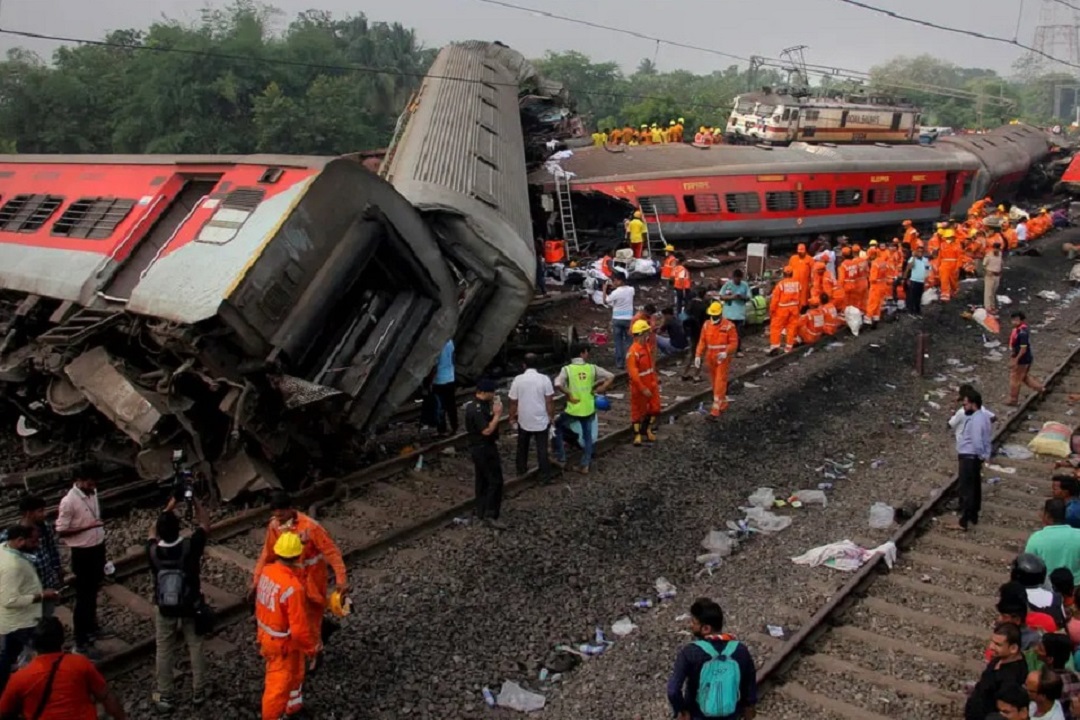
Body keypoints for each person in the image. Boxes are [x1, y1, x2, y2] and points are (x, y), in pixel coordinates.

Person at [251, 492, 347, 670]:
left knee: (312, 616)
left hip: (312, 578)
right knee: (294, 617)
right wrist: (257, 579)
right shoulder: (275, 525)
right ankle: (304, 649)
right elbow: (268, 553)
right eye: (276, 515)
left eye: (281, 515)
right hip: (290, 579)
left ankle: (315, 653)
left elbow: (331, 552)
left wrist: (341, 580)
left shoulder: (310, 528)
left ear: (290, 510)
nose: (278, 519)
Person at [148, 498, 211, 711]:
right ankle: (199, 690)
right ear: (179, 529)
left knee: (164, 649)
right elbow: (204, 524)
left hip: (164, 606)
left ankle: (165, 695)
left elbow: (151, 532)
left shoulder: (153, 551)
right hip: (190, 605)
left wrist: (169, 506)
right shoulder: (190, 545)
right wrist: (195, 501)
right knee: (195, 644)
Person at [0, 617, 128, 720]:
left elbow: (4, 712)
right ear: (61, 640)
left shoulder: (20, 678)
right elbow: (106, 697)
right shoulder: (80, 663)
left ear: (34, 644)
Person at [255, 532, 318, 720]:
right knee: (277, 688)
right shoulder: (292, 588)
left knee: (296, 673)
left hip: (272, 637)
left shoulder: (268, 571)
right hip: (282, 643)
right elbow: (299, 629)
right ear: (297, 556)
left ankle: (293, 708)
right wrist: (312, 647)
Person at [666, 598, 757, 720]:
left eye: (694, 622)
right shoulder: (740, 650)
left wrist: (682, 711)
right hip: (731, 714)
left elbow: (673, 690)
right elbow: (749, 683)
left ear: (706, 629)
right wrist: (749, 707)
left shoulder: (689, 652)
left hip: (698, 714)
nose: (691, 626)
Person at [55, 465, 106, 657]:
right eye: (90, 482)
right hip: (83, 552)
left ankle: (92, 628)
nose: (93, 485)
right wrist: (87, 527)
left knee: (93, 592)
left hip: (97, 547)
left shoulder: (93, 492)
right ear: (79, 480)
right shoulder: (69, 502)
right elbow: (61, 530)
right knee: (84, 597)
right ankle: (81, 640)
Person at [0, 526, 58, 694]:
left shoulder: (3, 548)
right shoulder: (14, 566)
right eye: (33, 541)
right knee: (41, 652)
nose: (37, 544)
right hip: (22, 620)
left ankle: (3, 685)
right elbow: (10, 600)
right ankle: (41, 686)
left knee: (8, 653)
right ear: (19, 540)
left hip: (10, 621)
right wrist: (41, 595)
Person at [553, 344, 614, 475]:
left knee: (557, 426)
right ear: (582, 353)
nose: (588, 354)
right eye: (587, 352)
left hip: (573, 409)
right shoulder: (592, 368)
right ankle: (585, 465)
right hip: (588, 408)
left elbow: (557, 384)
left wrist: (568, 394)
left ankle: (561, 458)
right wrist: (603, 387)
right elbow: (610, 376)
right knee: (587, 437)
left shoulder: (567, 369)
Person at [0, 496, 62, 618]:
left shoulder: (45, 528)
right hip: (25, 590)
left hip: (46, 582)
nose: (44, 514)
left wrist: (58, 569)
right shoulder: (9, 535)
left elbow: (52, 550)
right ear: (28, 513)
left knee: (46, 617)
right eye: (40, 511)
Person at [966, 622, 1030, 720]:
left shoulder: (1011, 677)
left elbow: (1003, 708)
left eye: (998, 644)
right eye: (992, 641)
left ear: (1013, 648)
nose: (991, 647)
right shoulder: (1002, 657)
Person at [464, 379, 505, 528]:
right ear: (483, 392)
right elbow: (486, 431)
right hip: (484, 448)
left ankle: (481, 510)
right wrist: (497, 415)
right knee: (495, 480)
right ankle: (490, 514)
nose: (493, 394)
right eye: (491, 392)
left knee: (482, 480)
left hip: (478, 448)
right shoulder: (477, 409)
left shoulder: (476, 406)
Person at [508, 354, 556, 481]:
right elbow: (549, 401)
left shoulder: (518, 380)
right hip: (541, 419)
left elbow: (513, 401)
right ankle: (545, 476)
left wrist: (511, 417)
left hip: (524, 419)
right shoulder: (544, 379)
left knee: (522, 446)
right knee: (542, 448)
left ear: (524, 365)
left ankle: (521, 469)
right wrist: (551, 416)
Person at [950, 389, 992, 531]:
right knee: (975, 487)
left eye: (966, 404)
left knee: (967, 489)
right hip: (973, 457)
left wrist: (980, 455)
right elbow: (986, 439)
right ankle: (973, 516)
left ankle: (963, 521)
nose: (964, 406)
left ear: (973, 404)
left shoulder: (975, 420)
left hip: (969, 457)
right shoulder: (984, 417)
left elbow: (977, 440)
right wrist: (986, 455)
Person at [694, 302, 739, 420]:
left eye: (716, 315)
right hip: (711, 356)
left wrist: (726, 352)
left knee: (720, 381)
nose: (713, 317)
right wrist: (698, 355)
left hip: (722, 358)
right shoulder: (706, 325)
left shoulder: (729, 326)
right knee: (714, 382)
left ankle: (715, 410)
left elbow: (734, 343)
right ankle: (722, 402)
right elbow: (702, 341)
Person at [1025, 499, 1080, 580]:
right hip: (1074, 587)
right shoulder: (1078, 535)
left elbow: (1027, 566)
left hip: (1047, 586)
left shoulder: (1036, 538)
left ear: (1047, 515)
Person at [627, 319, 661, 447]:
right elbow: (634, 373)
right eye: (646, 332)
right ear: (641, 334)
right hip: (639, 386)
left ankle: (647, 429)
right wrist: (642, 388)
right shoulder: (633, 352)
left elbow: (651, 364)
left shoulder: (645, 346)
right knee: (637, 410)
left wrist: (654, 379)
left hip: (651, 382)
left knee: (655, 408)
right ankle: (637, 435)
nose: (648, 334)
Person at [1010, 312, 1046, 406]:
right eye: (1013, 319)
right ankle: (1040, 388)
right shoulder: (1019, 330)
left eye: (1016, 319)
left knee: (1015, 379)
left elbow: (1023, 349)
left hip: (1023, 360)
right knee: (1024, 378)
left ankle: (1013, 400)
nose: (1014, 321)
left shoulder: (1022, 333)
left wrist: (1016, 360)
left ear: (1021, 320)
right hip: (1024, 358)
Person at [604, 273, 635, 370]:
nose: (613, 282)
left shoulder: (616, 293)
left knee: (618, 342)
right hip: (628, 319)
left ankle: (620, 363)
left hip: (617, 319)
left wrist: (604, 290)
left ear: (620, 281)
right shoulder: (631, 290)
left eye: (615, 280)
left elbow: (606, 301)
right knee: (629, 342)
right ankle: (630, 361)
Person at [768, 266, 801, 355]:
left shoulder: (781, 284)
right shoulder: (797, 283)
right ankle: (788, 348)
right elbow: (800, 297)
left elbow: (775, 299)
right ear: (792, 274)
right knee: (791, 328)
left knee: (776, 328)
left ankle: (775, 348)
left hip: (782, 309)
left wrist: (772, 310)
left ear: (784, 274)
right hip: (794, 309)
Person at [719, 269, 750, 353]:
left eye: (739, 279)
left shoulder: (745, 285)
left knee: (738, 334)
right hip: (728, 314)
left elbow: (749, 297)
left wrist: (741, 297)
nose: (737, 281)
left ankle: (737, 349)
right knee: (726, 333)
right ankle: (726, 349)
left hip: (739, 314)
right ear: (733, 277)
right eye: (736, 279)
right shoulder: (727, 284)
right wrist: (732, 297)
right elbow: (721, 296)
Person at [431, 339, 457, 437]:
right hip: (450, 378)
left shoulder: (437, 345)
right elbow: (453, 358)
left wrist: (429, 381)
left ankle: (442, 430)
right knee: (451, 406)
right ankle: (454, 427)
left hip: (439, 380)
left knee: (440, 407)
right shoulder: (450, 342)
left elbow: (434, 366)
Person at [904, 244, 931, 315]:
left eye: (921, 251)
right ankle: (911, 311)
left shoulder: (925, 260)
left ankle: (917, 311)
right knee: (913, 297)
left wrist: (927, 279)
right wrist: (913, 256)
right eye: (918, 251)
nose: (920, 253)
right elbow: (909, 267)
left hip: (921, 281)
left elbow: (928, 270)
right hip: (914, 280)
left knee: (919, 297)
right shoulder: (913, 259)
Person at [789, 243, 813, 307]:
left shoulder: (809, 259)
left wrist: (811, 282)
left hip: (805, 282)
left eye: (801, 252)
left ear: (805, 251)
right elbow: (789, 269)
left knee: (804, 296)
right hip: (794, 281)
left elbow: (813, 271)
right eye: (799, 252)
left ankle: (803, 308)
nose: (800, 253)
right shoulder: (793, 258)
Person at [985, 242, 1004, 313]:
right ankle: (988, 308)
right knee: (988, 293)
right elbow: (984, 264)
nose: (996, 250)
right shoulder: (989, 255)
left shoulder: (1000, 254)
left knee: (993, 292)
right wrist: (987, 271)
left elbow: (1001, 263)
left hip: (997, 275)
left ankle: (992, 307)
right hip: (990, 275)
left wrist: (1001, 271)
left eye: (998, 249)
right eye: (995, 248)